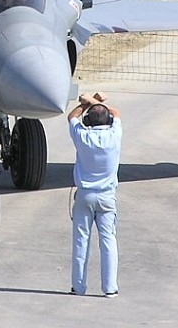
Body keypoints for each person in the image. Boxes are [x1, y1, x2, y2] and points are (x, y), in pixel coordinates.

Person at [69, 91, 122, 298]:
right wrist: (98, 103)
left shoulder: (83, 135)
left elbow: (71, 117)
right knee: (108, 241)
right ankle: (110, 288)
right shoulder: (114, 135)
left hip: (85, 194)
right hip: (107, 195)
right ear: (108, 120)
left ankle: (79, 287)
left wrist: (87, 102)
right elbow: (116, 113)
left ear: (88, 121)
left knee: (81, 241)